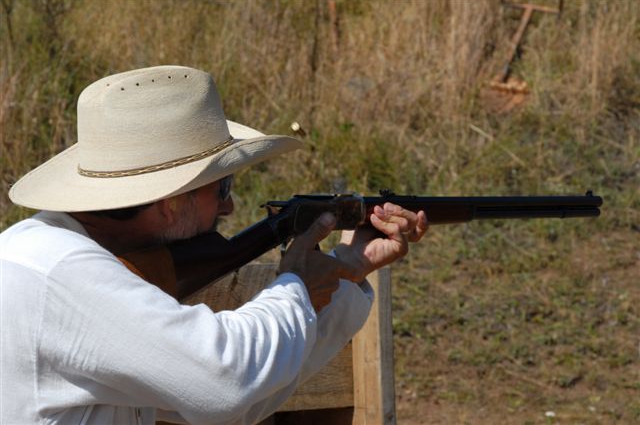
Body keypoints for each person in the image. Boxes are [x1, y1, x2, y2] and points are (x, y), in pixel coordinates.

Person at [0, 66, 427, 424]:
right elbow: (228, 379)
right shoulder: (63, 273)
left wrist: (348, 266)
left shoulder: (59, 257)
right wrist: (295, 286)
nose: (230, 207)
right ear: (169, 203)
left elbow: (233, 404)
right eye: (223, 187)